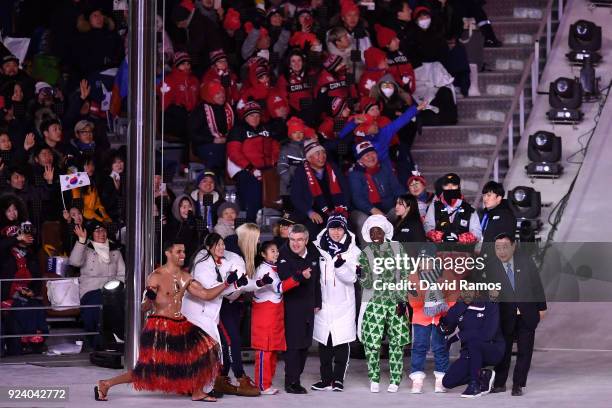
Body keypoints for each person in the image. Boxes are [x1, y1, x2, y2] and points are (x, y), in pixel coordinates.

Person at [94, 241, 230, 402]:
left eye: (184, 252)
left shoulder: (185, 277)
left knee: (207, 351)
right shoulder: (156, 276)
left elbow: (206, 295)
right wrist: (149, 300)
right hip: (159, 326)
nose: (183, 255)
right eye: (179, 251)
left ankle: (197, 391)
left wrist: (228, 283)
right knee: (147, 370)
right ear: (168, 253)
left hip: (181, 324)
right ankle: (106, 384)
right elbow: (144, 307)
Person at [181, 233, 253, 397]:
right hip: (199, 311)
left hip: (211, 310)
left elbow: (230, 287)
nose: (221, 248)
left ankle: (210, 383)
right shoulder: (202, 265)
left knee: (212, 349)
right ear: (208, 247)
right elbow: (209, 293)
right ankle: (200, 386)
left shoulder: (224, 260)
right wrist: (231, 284)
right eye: (217, 245)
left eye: (222, 244)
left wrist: (240, 284)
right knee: (207, 349)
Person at [487, 233, 547, 396]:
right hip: (505, 316)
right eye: (498, 247)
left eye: (505, 247)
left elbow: (537, 286)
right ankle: (499, 384)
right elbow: (491, 294)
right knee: (503, 350)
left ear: (513, 246)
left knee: (525, 351)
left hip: (526, 314)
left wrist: (542, 308)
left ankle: (518, 384)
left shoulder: (526, 262)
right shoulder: (491, 267)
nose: (501, 251)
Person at [358, 214, 410, 393]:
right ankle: (374, 377)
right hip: (375, 301)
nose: (375, 234)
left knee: (397, 341)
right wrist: (361, 273)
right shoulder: (365, 253)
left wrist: (402, 299)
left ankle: (395, 379)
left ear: (385, 231)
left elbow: (404, 273)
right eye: (372, 231)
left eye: (378, 230)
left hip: (395, 300)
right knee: (372, 342)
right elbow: (366, 284)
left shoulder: (397, 248)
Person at [311, 213, 360, 392]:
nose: (336, 232)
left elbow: (353, 278)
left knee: (341, 341)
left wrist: (340, 265)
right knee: (325, 342)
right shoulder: (317, 247)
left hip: (344, 304)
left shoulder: (353, 251)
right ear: (328, 228)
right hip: (323, 303)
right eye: (333, 228)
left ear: (345, 229)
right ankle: (325, 380)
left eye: (340, 228)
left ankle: (338, 379)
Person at [0, 194, 48, 356]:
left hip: (24, 288)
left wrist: (33, 289)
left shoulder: (25, 228)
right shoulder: (3, 234)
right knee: (22, 304)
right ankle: (28, 338)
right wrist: (16, 239)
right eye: (9, 210)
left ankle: (37, 337)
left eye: (15, 209)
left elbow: (34, 266)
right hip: (6, 290)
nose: (13, 213)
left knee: (35, 304)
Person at [277, 224, 322, 394]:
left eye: (300, 240)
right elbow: (284, 280)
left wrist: (318, 301)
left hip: (308, 306)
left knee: (305, 344)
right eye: (292, 240)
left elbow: (317, 280)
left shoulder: (313, 253)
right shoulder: (282, 255)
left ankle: (296, 378)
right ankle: (291, 382)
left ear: (306, 240)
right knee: (294, 346)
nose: (295, 244)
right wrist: (301, 277)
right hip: (290, 307)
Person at [68, 220, 125, 349]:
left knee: (118, 303)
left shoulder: (115, 251)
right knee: (99, 304)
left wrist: (120, 288)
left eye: (103, 230)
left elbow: (122, 273)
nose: (101, 233)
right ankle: (97, 342)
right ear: (91, 234)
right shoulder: (86, 249)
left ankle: (117, 339)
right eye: (97, 231)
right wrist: (81, 241)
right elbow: (74, 262)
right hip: (91, 291)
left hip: (112, 291)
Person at [439, 289, 505, 398]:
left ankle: (474, 385)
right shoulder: (459, 306)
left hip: (492, 349)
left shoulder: (490, 305)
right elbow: (445, 326)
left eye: (470, 290)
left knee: (474, 342)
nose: (467, 293)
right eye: (464, 290)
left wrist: (458, 336)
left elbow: (487, 334)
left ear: (477, 292)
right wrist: (443, 326)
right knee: (447, 382)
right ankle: (484, 375)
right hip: (469, 353)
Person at [407, 249, 456, 394]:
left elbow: (454, 293)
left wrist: (445, 306)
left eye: (428, 260)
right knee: (419, 346)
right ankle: (417, 379)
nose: (425, 263)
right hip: (421, 318)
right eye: (422, 260)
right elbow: (412, 300)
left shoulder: (446, 276)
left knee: (440, 347)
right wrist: (427, 301)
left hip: (440, 318)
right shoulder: (413, 277)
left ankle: (441, 379)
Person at [227, 101, 280, 222]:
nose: (255, 118)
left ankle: (273, 223)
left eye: (257, 115)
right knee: (253, 195)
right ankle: (250, 224)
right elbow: (234, 153)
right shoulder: (238, 130)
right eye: (251, 115)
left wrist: (275, 163)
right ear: (245, 117)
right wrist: (251, 168)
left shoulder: (266, 128)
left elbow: (275, 147)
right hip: (245, 168)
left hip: (267, 168)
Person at [290, 138, 349, 237]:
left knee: (347, 229)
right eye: (317, 153)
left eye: (323, 153)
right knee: (312, 231)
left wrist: (343, 209)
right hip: (315, 212)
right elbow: (296, 197)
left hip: (337, 209)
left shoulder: (333, 167)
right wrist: (310, 212)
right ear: (309, 158)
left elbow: (346, 190)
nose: (322, 156)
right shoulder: (301, 172)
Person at [348, 141, 405, 241]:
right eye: (366, 155)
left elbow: (397, 188)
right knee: (363, 221)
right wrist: (373, 210)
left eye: (373, 153)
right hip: (365, 210)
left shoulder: (384, 167)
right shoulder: (354, 174)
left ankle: (398, 248)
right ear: (360, 160)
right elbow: (357, 198)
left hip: (387, 207)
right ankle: (369, 252)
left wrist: (405, 202)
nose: (371, 157)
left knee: (403, 211)